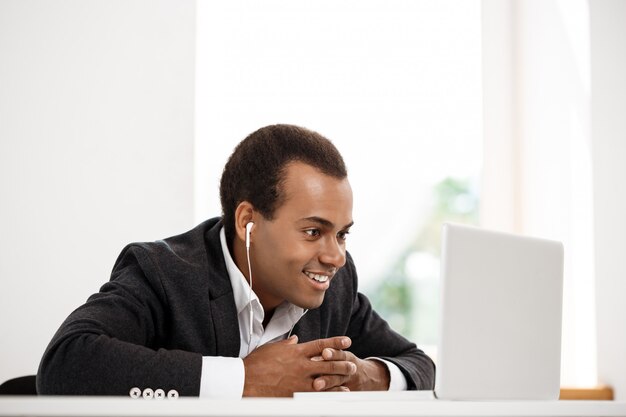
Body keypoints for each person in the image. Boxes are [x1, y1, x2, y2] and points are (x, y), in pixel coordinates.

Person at [37, 124, 435, 397]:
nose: (335, 257)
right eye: (313, 231)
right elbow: (65, 364)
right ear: (249, 221)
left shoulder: (336, 285)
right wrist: (244, 379)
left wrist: (370, 376)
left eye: (342, 233)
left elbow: (419, 364)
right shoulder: (163, 271)